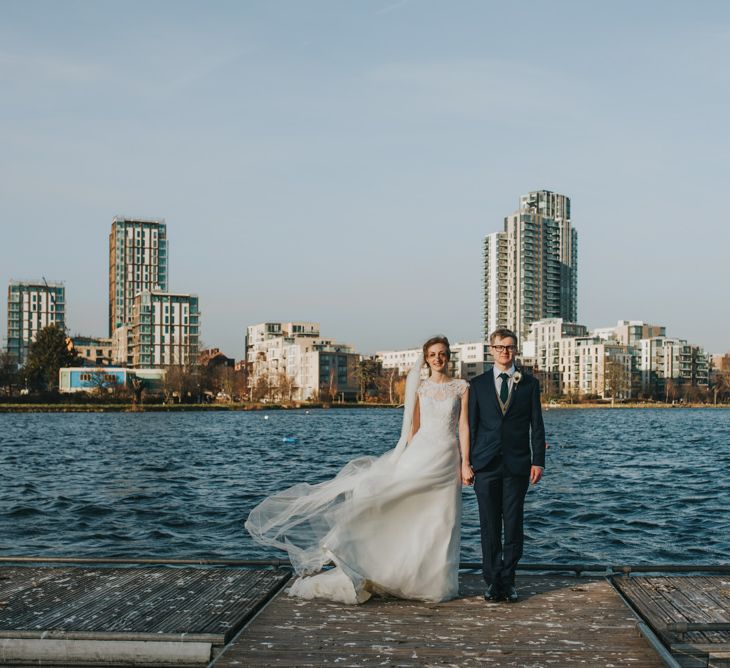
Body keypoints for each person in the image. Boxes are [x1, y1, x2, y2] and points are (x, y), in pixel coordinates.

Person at [245, 335, 470, 604]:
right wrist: (406, 461)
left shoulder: (461, 387)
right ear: (426, 358)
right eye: (433, 354)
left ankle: (435, 583)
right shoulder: (420, 388)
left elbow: (464, 426)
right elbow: (413, 430)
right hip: (423, 456)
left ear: (449, 356)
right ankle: (379, 563)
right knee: (406, 510)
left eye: (442, 353)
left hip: (448, 460)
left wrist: (465, 462)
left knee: (442, 521)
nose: (438, 358)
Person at [466, 327, 546, 603]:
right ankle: (492, 582)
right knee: (488, 526)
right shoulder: (477, 385)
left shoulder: (529, 384)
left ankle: (509, 581)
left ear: (515, 350)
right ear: (491, 351)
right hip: (485, 465)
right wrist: (467, 463)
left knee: (513, 525)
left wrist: (538, 461)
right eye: (499, 347)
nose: (504, 351)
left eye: (509, 347)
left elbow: (537, 425)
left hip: (518, 464)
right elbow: (470, 427)